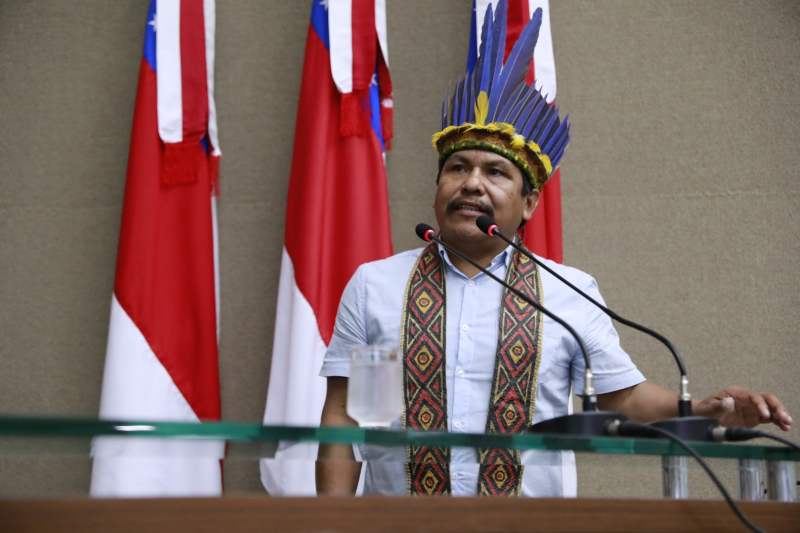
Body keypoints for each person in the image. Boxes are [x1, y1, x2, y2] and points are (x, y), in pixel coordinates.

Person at [316, 2, 791, 497]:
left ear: (528, 204)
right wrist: (334, 524)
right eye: (457, 168)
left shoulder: (568, 291)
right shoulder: (376, 286)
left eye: (495, 173)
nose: (471, 183)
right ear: (437, 188)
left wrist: (705, 411)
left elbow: (621, 399)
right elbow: (345, 416)